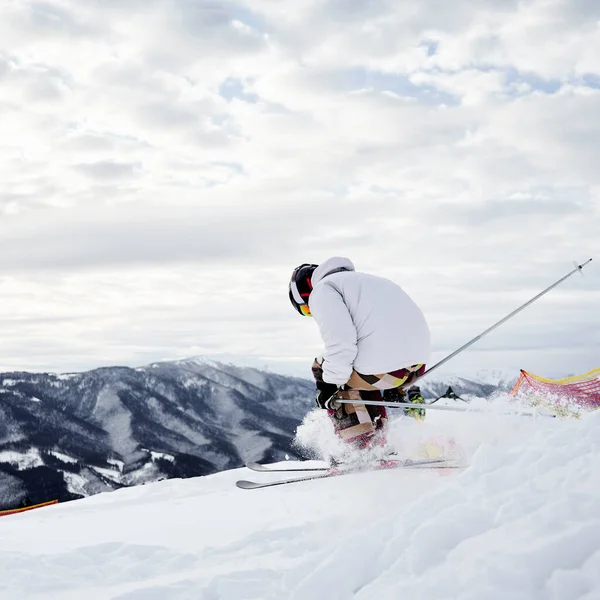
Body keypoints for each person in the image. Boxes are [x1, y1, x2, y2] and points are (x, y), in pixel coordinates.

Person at [289, 256, 431, 451]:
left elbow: (341, 344)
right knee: (352, 367)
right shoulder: (370, 283)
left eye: (307, 309)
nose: (311, 313)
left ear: (305, 294)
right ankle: (378, 443)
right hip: (416, 368)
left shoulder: (323, 291)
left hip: (387, 370)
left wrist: (329, 389)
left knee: (327, 369)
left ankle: (360, 449)